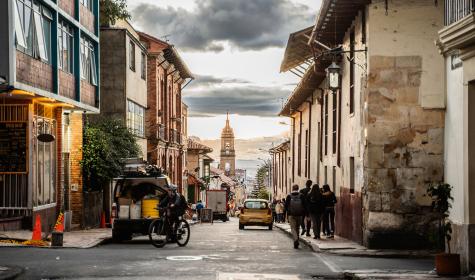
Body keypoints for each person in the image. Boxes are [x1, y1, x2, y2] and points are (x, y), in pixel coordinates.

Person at [285, 184, 307, 249]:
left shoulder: (289, 196)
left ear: (292, 188)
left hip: (291, 215)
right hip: (300, 215)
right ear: (298, 188)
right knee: (297, 228)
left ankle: (295, 239)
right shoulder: (301, 196)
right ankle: (296, 242)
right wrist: (305, 214)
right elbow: (305, 205)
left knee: (293, 228)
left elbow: (286, 206)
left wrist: (288, 213)